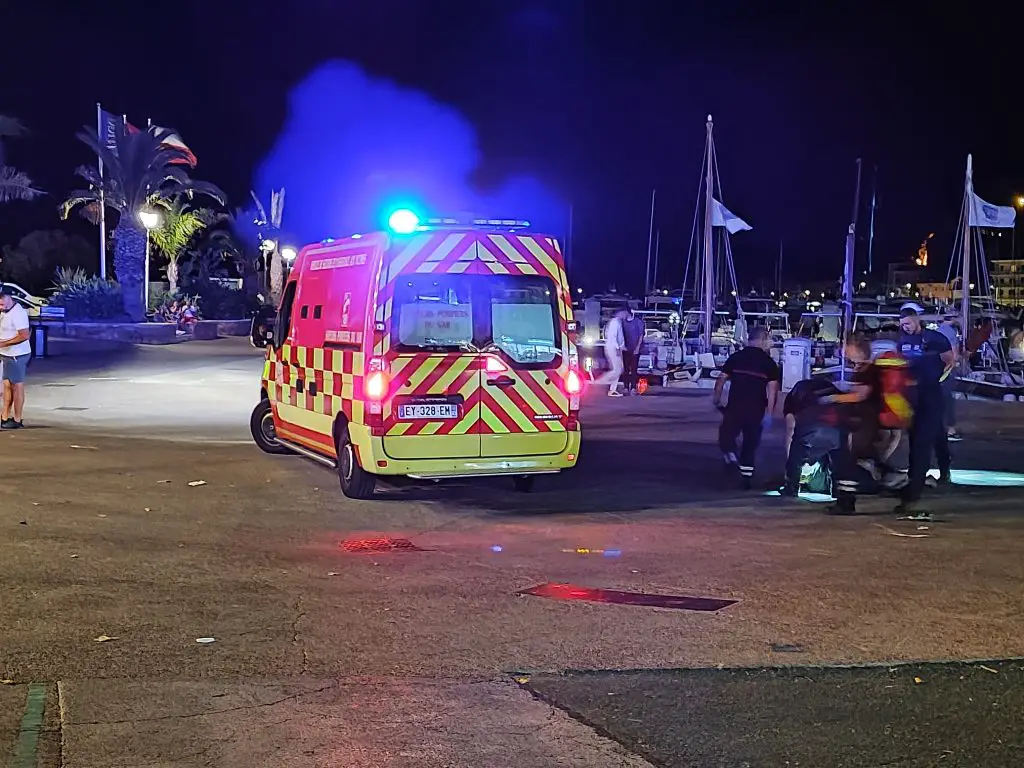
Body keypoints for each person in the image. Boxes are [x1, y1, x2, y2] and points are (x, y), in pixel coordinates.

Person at [897, 303, 954, 514]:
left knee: (927, 438)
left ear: (917, 321)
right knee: (921, 436)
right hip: (912, 396)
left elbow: (950, 361)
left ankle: (921, 483)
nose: (906, 327)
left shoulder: (934, 338)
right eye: (903, 324)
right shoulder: (902, 341)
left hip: (931, 394)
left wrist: (937, 381)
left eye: (909, 323)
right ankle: (917, 478)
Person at [713, 326, 780, 489]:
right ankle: (746, 478)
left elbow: (721, 379)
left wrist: (717, 398)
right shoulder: (769, 363)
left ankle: (730, 457)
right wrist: (769, 414)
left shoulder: (736, 358)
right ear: (762, 339)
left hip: (735, 406)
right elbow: (772, 391)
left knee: (726, 435)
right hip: (756, 409)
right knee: (750, 443)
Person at [779, 376, 841, 497]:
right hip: (833, 424)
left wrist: (789, 460)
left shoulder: (795, 395)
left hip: (810, 424)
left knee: (797, 450)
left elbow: (790, 427)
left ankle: (791, 487)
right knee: (835, 454)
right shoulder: (832, 388)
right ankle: (836, 489)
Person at [0, 289, 32, 430]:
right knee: (7, 385)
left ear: (9, 298)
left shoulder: (18, 313)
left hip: (17, 355)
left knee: (17, 386)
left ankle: (17, 419)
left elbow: (24, 335)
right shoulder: (4, 312)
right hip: (6, 354)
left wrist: (3, 343)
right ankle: (5, 417)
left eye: (1, 303)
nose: (0, 307)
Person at [936, 316, 962, 441]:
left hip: (937, 370)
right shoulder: (950, 332)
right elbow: (954, 354)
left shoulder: (938, 331)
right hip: (947, 371)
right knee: (948, 400)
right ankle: (950, 430)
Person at [597, 309, 626, 397]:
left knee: (619, 369)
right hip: (613, 347)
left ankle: (612, 389)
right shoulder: (615, 322)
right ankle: (598, 383)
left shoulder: (617, 322)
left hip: (614, 347)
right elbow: (613, 337)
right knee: (617, 370)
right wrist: (617, 348)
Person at [621, 308, 645, 395]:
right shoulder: (622, 322)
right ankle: (626, 387)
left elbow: (641, 335)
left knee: (634, 369)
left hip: (635, 349)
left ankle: (633, 387)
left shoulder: (638, 322)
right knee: (626, 369)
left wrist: (637, 348)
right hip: (626, 349)